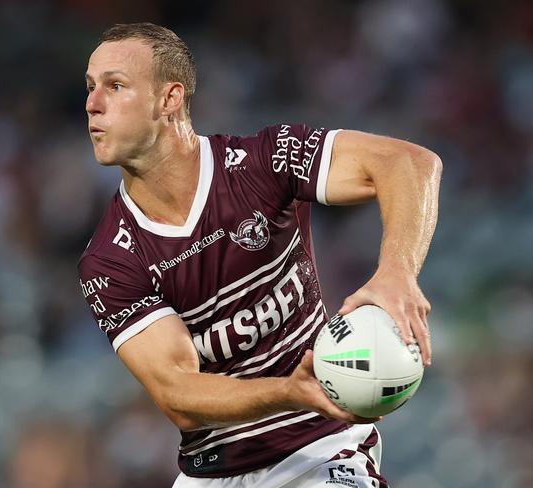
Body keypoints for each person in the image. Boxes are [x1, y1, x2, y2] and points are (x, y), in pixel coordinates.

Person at [78, 22, 441, 488]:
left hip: (322, 449)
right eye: (90, 88)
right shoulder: (109, 260)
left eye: (115, 85)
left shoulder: (262, 162)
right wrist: (291, 392)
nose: (92, 104)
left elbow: (409, 163)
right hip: (211, 474)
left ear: (169, 99)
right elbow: (178, 394)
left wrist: (397, 270)